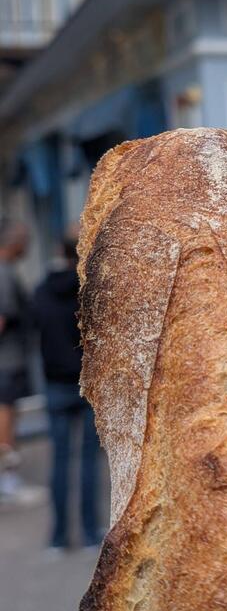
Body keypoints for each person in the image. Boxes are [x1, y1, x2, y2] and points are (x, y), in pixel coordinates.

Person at [32, 230, 101, 551]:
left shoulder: (41, 291)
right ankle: (89, 534)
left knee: (60, 461)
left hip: (55, 384)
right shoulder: (89, 290)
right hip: (86, 382)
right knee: (88, 460)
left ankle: (58, 538)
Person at [0, 220, 45, 507]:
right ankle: (8, 482)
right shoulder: (3, 275)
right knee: (5, 419)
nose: (28, 244)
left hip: (9, 363)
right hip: (5, 365)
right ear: (13, 241)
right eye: (25, 238)